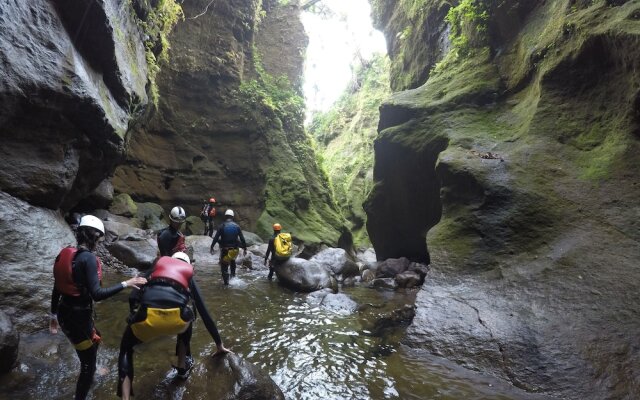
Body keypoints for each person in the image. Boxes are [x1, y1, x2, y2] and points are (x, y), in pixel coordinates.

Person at [49, 215, 147, 400]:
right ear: (93, 235)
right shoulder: (88, 259)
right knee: (88, 366)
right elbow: (97, 294)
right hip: (77, 319)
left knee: (96, 336)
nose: (99, 242)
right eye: (99, 237)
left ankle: (92, 367)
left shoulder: (67, 254)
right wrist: (127, 283)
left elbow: (57, 287)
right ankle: (85, 386)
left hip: (65, 313)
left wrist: (53, 315)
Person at [117, 252, 231, 399]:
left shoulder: (155, 267)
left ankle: (125, 397)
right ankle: (182, 368)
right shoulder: (188, 274)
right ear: (187, 264)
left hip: (146, 316)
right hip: (177, 320)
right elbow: (204, 312)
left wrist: (133, 314)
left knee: (126, 349)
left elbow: (133, 296)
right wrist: (219, 344)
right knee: (188, 316)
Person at [210, 209, 247, 285]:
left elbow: (216, 238)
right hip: (234, 250)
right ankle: (233, 278)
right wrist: (245, 248)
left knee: (224, 266)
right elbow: (242, 238)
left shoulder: (222, 226)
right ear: (232, 217)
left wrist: (212, 246)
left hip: (225, 250)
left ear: (225, 216)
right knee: (233, 261)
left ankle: (226, 283)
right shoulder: (237, 226)